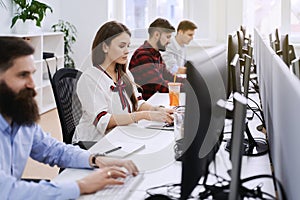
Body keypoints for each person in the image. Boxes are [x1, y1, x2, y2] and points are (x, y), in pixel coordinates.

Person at [0, 36, 139, 200]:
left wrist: (95, 159)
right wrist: (82, 186)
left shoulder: (19, 117)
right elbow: (6, 191)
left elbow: (53, 150)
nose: (32, 84)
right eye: (23, 75)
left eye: (32, 74)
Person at [73, 21, 174, 143]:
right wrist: (145, 115)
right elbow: (104, 121)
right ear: (105, 47)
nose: (127, 51)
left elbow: (137, 103)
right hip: (95, 142)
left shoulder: (124, 74)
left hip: (120, 136)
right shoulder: (90, 78)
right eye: (121, 46)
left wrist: (156, 109)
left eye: (128, 46)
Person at [129, 18, 184, 101]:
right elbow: (159, 86)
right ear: (157, 35)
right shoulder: (143, 55)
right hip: (147, 106)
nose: (169, 41)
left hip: (155, 102)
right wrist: (188, 88)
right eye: (168, 37)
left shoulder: (156, 54)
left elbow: (168, 76)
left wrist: (190, 82)